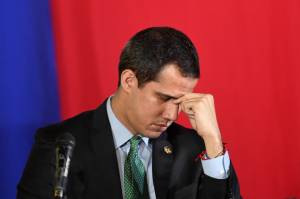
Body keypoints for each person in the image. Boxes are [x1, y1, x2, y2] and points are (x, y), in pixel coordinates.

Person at [17, 27, 242, 199]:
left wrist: (213, 142)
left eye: (180, 102)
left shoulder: (193, 147)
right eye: (164, 98)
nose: (172, 115)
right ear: (129, 80)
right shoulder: (60, 145)